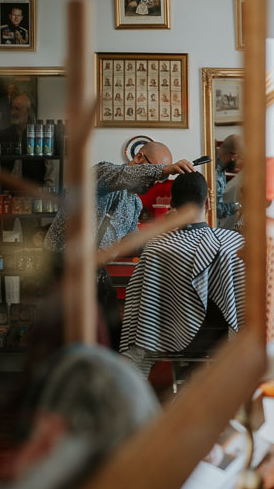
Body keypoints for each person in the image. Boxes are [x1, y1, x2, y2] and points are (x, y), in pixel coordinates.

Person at [44, 141, 195, 348]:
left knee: (113, 337)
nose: (155, 181)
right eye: (153, 170)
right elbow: (119, 176)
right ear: (139, 158)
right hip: (60, 269)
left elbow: (132, 241)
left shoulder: (134, 204)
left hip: (94, 273)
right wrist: (164, 170)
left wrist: (166, 237)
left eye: (160, 177)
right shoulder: (101, 174)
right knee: (61, 343)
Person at [119, 172, 246, 377]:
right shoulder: (233, 243)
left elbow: (141, 309)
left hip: (166, 339)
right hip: (221, 340)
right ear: (207, 203)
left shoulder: (156, 247)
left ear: (172, 204)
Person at [215, 134, 246, 229]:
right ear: (234, 156)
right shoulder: (215, 173)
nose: (240, 164)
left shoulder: (219, 167)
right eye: (241, 159)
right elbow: (218, 210)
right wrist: (241, 205)